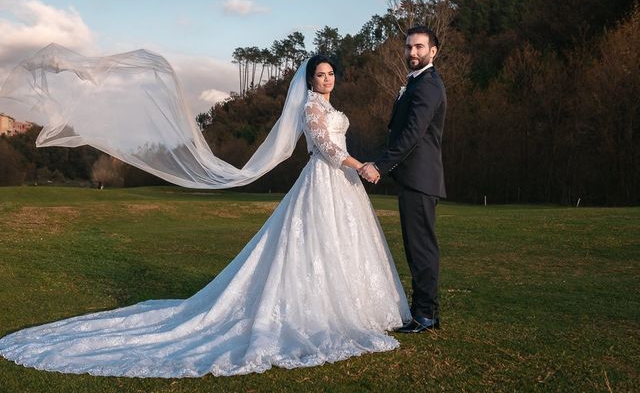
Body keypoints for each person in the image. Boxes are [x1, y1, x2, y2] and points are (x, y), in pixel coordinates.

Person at [0, 54, 411, 377]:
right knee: (314, 245)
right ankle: (319, 311)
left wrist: (357, 170)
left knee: (343, 244)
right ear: (308, 80)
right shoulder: (310, 109)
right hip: (326, 179)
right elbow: (326, 149)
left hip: (344, 188)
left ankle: (357, 308)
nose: (325, 79)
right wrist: (361, 165)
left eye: (329, 74)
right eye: (319, 75)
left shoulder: (328, 105)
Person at [359, 26, 447, 333]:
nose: (413, 52)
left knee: (421, 247)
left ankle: (425, 315)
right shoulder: (416, 83)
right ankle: (423, 310)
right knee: (415, 246)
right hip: (413, 178)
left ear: (433, 51)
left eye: (419, 47)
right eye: (409, 47)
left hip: (421, 179)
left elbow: (411, 134)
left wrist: (380, 167)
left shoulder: (429, 85)